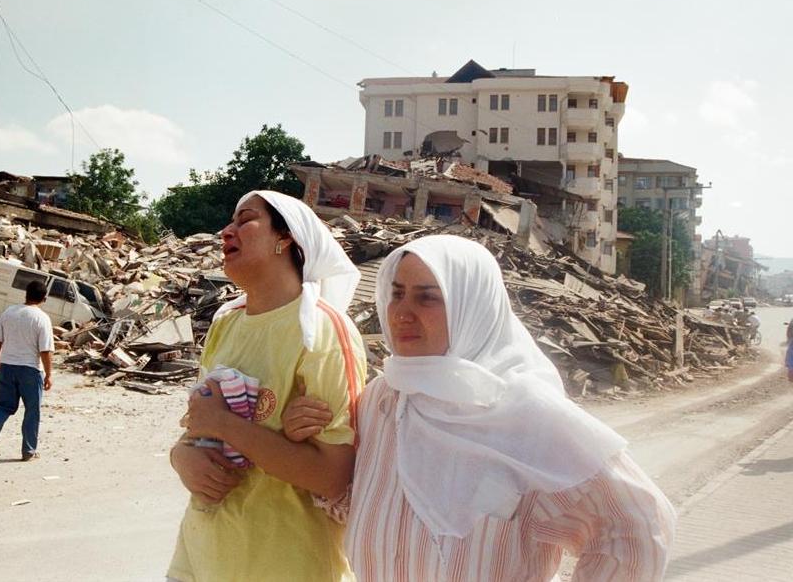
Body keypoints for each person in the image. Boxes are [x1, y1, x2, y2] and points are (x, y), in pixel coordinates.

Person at [283, 235, 676, 582]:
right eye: (397, 293)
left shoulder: (524, 414)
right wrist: (308, 439)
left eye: (428, 297)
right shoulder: (383, 399)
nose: (402, 312)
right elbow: (371, 505)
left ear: (472, 307)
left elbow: (639, 524)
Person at [168, 190, 366, 582]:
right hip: (200, 557)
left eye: (245, 220)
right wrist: (180, 457)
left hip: (284, 563)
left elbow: (332, 476)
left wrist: (226, 425)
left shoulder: (321, 329)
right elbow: (199, 424)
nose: (226, 232)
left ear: (285, 237)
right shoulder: (227, 323)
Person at [0, 279, 54, 462]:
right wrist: (49, 374)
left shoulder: (9, 313)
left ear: (26, 294)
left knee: (3, 406)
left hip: (7, 367)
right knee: (32, 411)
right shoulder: (42, 318)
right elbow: (45, 351)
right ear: (44, 298)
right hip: (30, 370)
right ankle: (28, 450)